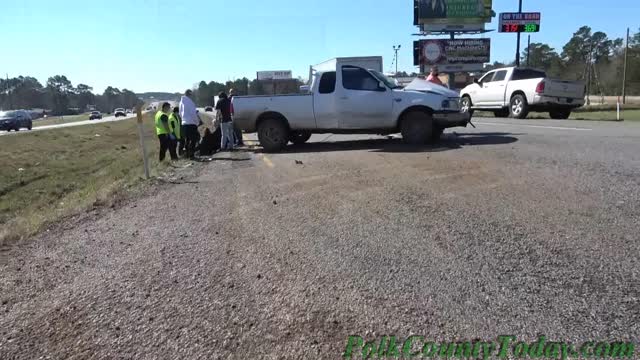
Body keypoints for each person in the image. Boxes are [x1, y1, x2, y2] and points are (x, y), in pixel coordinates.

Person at [179, 89, 201, 159]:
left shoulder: (181, 102)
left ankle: (187, 154)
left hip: (184, 123)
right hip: (191, 123)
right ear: (190, 94)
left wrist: (183, 119)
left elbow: (180, 113)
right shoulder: (190, 102)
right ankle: (192, 155)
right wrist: (197, 122)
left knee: (187, 139)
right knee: (193, 139)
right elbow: (193, 113)